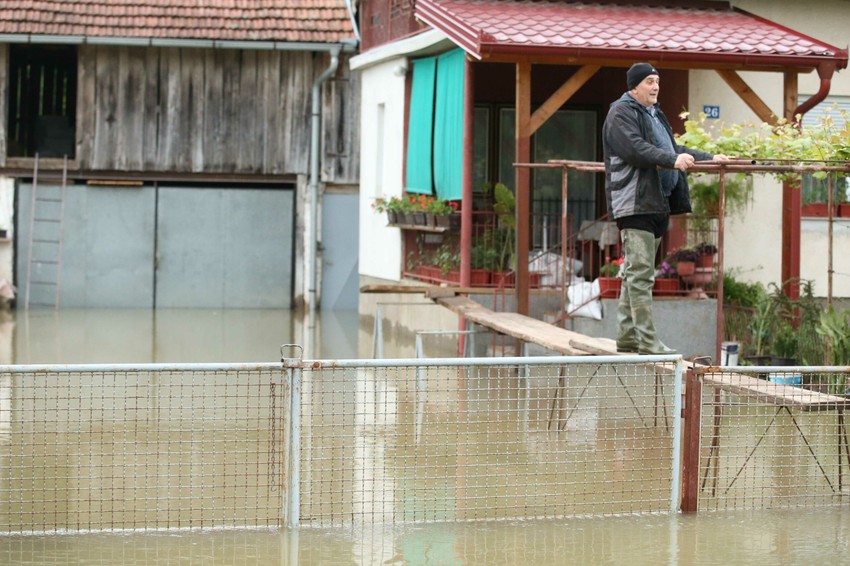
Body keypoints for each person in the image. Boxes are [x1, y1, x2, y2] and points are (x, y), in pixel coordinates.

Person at [602, 62, 728, 354]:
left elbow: (674, 148)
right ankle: (647, 341)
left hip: (656, 200)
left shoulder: (655, 114)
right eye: (649, 81)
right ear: (634, 86)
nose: (655, 86)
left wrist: (710, 157)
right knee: (642, 273)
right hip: (634, 202)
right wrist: (672, 161)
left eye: (657, 80)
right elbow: (635, 149)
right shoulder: (620, 113)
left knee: (635, 271)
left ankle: (627, 336)